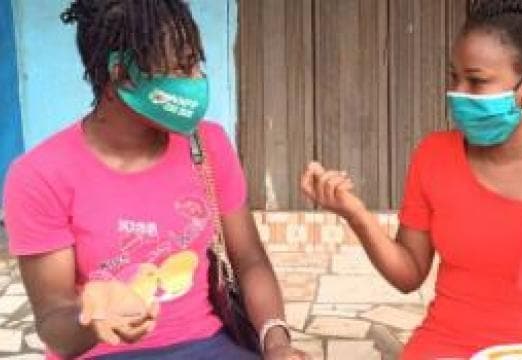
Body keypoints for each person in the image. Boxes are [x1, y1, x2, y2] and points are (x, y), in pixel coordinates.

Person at [301, 0, 522, 359]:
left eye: (476, 80)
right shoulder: (434, 156)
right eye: (454, 77)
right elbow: (409, 273)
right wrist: (356, 215)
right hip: (446, 345)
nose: (459, 93)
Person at [3, 1, 307, 359]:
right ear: (122, 73)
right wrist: (90, 319)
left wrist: (276, 342)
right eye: (180, 69)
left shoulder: (208, 146)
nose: (196, 82)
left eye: (196, 63)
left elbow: (250, 259)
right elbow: (54, 322)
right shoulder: (39, 176)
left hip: (205, 345)